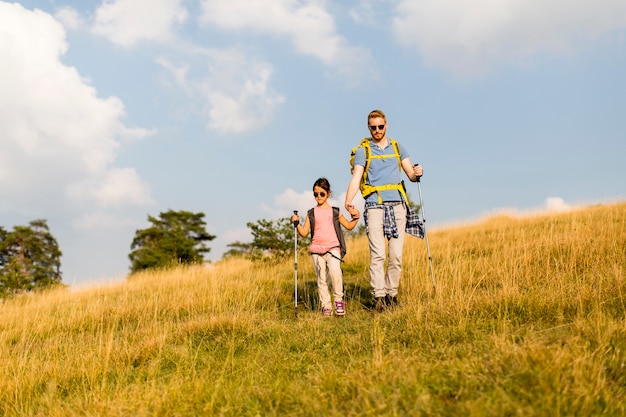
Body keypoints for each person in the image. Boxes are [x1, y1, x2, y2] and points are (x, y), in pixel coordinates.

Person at [344, 109, 423, 312]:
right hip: (374, 206)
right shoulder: (364, 150)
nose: (377, 130)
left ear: (386, 125)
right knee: (378, 254)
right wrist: (348, 200)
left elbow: (410, 176)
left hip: (398, 206)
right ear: (368, 127)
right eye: (373, 127)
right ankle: (378, 297)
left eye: (380, 126)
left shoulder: (397, 147)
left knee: (396, 255)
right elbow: (357, 176)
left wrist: (417, 173)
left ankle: (391, 295)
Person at [291, 178, 360, 317]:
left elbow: (349, 226)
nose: (318, 197)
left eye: (321, 194)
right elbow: (304, 233)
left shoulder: (335, 211)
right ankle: (326, 306)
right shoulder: (311, 213)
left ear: (328, 193)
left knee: (336, 274)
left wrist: (356, 217)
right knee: (321, 279)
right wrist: (296, 223)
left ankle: (339, 302)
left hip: (333, 248)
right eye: (315, 194)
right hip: (316, 249)